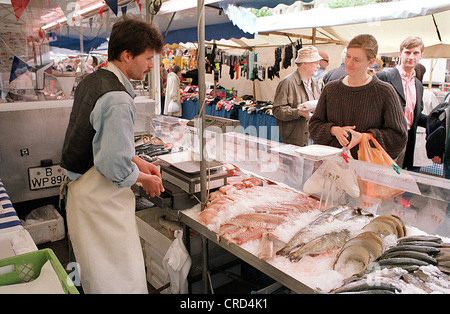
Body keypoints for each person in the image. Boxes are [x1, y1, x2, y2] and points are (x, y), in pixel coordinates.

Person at [60, 16, 164, 294]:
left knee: (96, 271)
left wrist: (140, 161)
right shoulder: (117, 99)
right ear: (126, 55)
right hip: (99, 200)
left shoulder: (92, 80)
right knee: (118, 276)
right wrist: (145, 179)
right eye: (148, 58)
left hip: (83, 193)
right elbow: (112, 164)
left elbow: (103, 143)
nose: (151, 64)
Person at [309, 34, 407, 160]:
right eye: (348, 56)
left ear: (371, 62)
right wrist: (334, 130)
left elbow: (398, 138)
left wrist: (364, 138)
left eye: (357, 59)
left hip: (367, 171)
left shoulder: (384, 92)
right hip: (331, 168)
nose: (349, 63)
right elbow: (314, 126)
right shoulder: (331, 89)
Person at [377, 36, 428, 170]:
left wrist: (438, 120)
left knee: (397, 186)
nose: (411, 56)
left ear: (421, 55)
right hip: (384, 142)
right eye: (407, 52)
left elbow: (416, 115)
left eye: (416, 53)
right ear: (400, 54)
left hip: (406, 142)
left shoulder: (418, 85)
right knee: (377, 185)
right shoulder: (384, 77)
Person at [272, 46, 322, 147]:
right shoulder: (287, 83)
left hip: (312, 138)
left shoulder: (314, 83)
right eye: (316, 63)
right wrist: (299, 112)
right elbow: (277, 110)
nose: (318, 66)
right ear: (305, 63)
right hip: (294, 141)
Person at [412, 63, 440, 170]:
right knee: (415, 172)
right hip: (422, 138)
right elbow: (436, 118)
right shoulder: (429, 95)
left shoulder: (407, 93)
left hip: (417, 136)